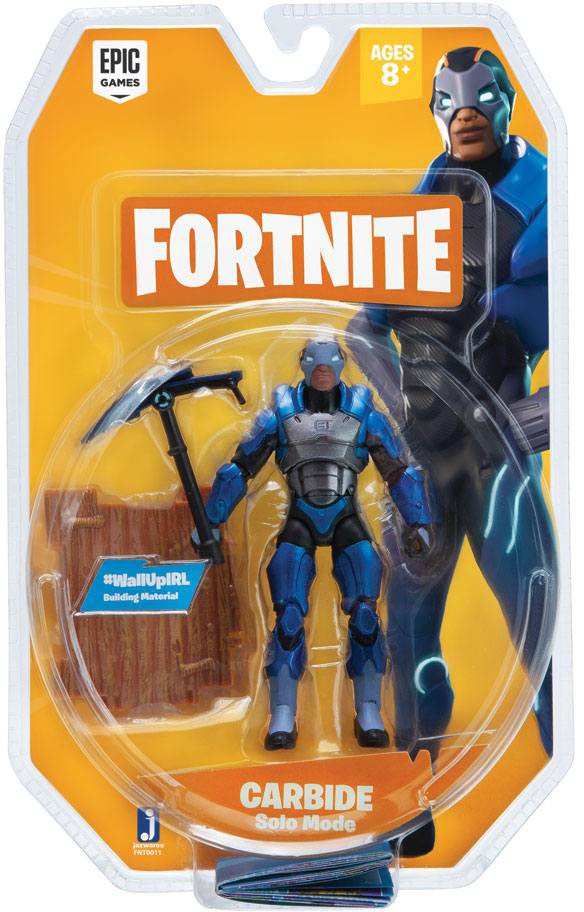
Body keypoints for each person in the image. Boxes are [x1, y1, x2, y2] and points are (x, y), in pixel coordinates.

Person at [203, 339, 433, 750]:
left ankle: (369, 712)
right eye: (314, 362)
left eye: (330, 362)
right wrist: (213, 517)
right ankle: (282, 716)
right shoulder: (281, 412)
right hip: (300, 520)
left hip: (347, 518)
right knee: (289, 619)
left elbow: (398, 471)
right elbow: (240, 467)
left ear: (341, 365)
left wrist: (418, 521)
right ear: (304, 365)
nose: (322, 369)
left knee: (366, 616)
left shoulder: (362, 410)